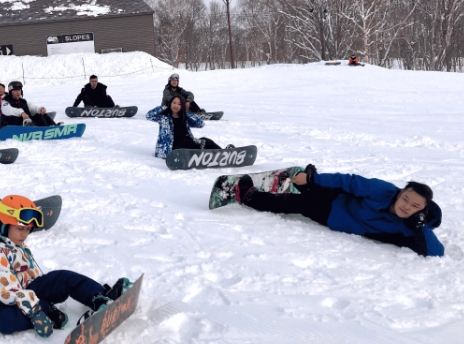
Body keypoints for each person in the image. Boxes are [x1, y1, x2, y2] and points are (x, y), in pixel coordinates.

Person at [0, 195, 133, 337]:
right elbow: (9, 292)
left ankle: (100, 296)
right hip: (5, 302)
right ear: (3, 225)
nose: (24, 234)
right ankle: (45, 311)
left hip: (28, 293)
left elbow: (34, 277)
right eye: (20, 229)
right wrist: (36, 310)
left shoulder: (17, 246)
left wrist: (49, 288)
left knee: (62, 278)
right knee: (4, 321)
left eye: (28, 230)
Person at [235, 165, 444, 257]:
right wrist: (311, 179)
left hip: (334, 217)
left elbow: (437, 252)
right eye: (405, 199)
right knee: (319, 188)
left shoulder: (410, 229)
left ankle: (250, 197)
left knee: (295, 203)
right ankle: (307, 182)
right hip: (341, 199)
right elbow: (349, 182)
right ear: (400, 193)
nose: (406, 206)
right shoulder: (383, 190)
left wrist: (420, 227)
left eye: (415, 206)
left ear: (422, 211)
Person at [146, 94, 229, 159]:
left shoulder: (184, 118)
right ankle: (219, 155)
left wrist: (186, 113)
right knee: (198, 143)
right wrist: (163, 107)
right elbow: (149, 115)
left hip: (186, 143)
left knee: (207, 141)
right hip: (171, 148)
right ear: (170, 103)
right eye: (174, 103)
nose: (176, 106)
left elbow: (200, 123)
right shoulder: (163, 117)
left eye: (179, 104)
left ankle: (225, 154)